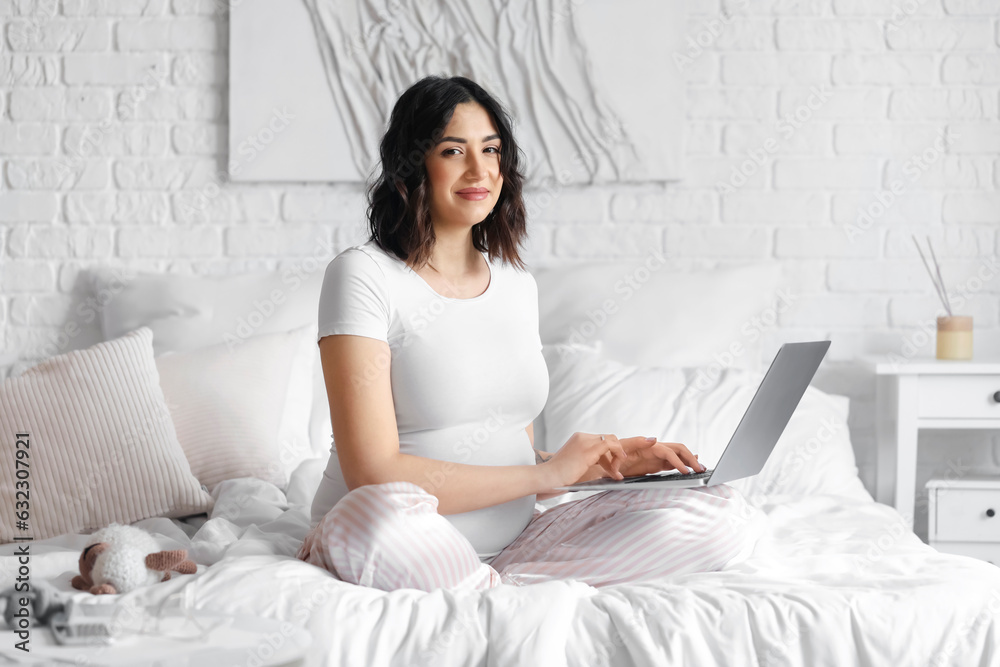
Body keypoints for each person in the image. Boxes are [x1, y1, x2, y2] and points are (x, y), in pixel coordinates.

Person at [296, 75, 764, 591]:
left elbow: (509, 456)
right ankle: (490, 590)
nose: (479, 169)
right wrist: (548, 476)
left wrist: (596, 467)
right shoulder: (364, 275)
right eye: (454, 150)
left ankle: (490, 589)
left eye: (491, 150)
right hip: (388, 532)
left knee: (721, 513)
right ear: (412, 165)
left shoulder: (517, 284)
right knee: (382, 515)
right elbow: (373, 474)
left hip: (516, 542)